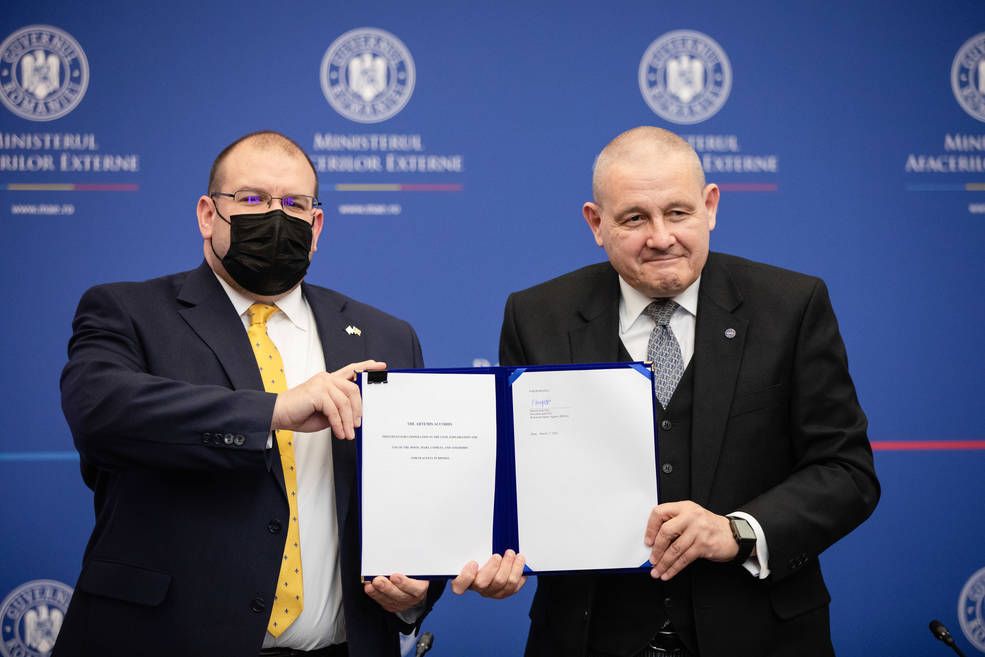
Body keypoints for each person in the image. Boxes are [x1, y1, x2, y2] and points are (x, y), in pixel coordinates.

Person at [55, 131, 445, 657]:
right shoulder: (129, 312)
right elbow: (100, 412)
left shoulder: (386, 336)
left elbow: (417, 495)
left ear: (316, 225)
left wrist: (416, 589)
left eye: (294, 204)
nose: (275, 218)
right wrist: (275, 411)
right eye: (253, 199)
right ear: (207, 214)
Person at [495, 126, 880, 657]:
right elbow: (517, 479)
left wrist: (739, 531)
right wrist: (497, 552)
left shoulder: (791, 306)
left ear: (710, 206)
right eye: (634, 218)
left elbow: (846, 472)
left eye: (678, 213)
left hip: (764, 636)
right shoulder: (537, 316)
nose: (660, 237)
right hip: (588, 636)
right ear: (596, 223)